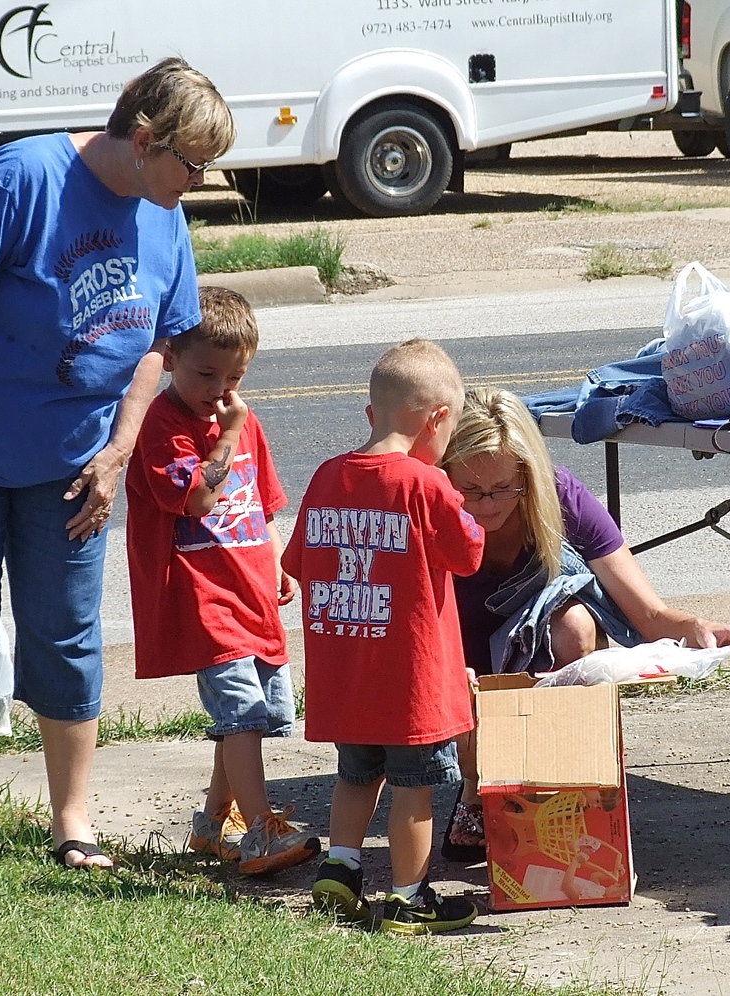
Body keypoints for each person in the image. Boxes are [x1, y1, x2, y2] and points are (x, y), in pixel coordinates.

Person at [0, 58, 235, 870]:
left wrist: (119, 451)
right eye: (192, 163)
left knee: (67, 635)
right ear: (144, 141)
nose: (200, 181)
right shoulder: (21, 179)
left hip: (74, 460)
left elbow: (159, 343)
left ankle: (71, 820)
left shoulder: (165, 212)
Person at [439, 387, 730, 858]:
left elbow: (648, 614)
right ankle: (476, 786)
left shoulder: (560, 496)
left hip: (533, 651)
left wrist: (701, 629)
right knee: (462, 700)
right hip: (454, 649)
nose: (486, 504)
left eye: (503, 488)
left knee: (575, 625)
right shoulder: (427, 504)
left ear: (527, 473)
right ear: (444, 474)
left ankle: (562, 778)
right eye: (471, 490)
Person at [283, 338, 486, 934]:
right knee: (414, 791)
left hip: (347, 676)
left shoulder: (327, 477)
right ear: (438, 420)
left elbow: (298, 562)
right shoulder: (426, 485)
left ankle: (340, 870)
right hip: (410, 683)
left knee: (355, 776)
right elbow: (469, 554)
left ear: (372, 413)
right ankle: (408, 895)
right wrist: (458, 502)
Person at [124, 285, 320, 876]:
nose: (219, 390)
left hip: (249, 589)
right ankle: (261, 830)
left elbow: (262, 501)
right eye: (206, 374)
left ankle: (213, 824)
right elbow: (199, 500)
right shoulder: (163, 426)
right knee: (242, 714)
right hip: (202, 595)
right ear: (171, 358)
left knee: (252, 716)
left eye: (234, 377)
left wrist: (278, 562)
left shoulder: (242, 419)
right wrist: (227, 435)